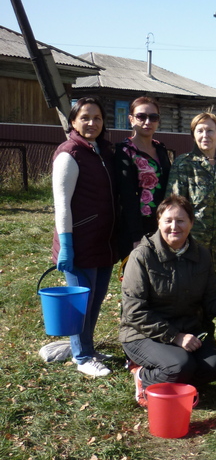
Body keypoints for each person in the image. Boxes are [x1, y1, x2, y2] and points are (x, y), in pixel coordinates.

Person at [119, 195, 216, 406]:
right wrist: (175, 337)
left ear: (191, 223)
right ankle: (143, 377)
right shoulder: (142, 257)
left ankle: (175, 383)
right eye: (168, 221)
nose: (174, 226)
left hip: (188, 330)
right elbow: (134, 311)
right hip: (142, 333)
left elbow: (213, 298)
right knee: (179, 366)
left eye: (181, 220)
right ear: (159, 222)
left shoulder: (201, 255)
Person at [51, 97, 118, 377]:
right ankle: (82, 357)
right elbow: (62, 204)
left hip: (103, 242)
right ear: (73, 122)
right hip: (79, 242)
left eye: (98, 118)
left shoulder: (99, 151)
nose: (92, 123)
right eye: (85, 117)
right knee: (81, 302)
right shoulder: (70, 153)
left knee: (96, 299)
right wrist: (66, 245)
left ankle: (86, 346)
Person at [166, 112, 216, 279]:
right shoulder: (183, 164)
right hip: (193, 247)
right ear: (193, 135)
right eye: (200, 131)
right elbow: (174, 207)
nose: (205, 135)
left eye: (210, 130)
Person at [115, 96, 171, 259]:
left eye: (153, 117)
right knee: (137, 280)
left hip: (163, 224)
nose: (148, 122)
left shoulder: (160, 148)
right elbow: (126, 197)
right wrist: (136, 237)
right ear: (131, 119)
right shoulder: (124, 151)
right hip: (135, 227)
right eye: (141, 116)